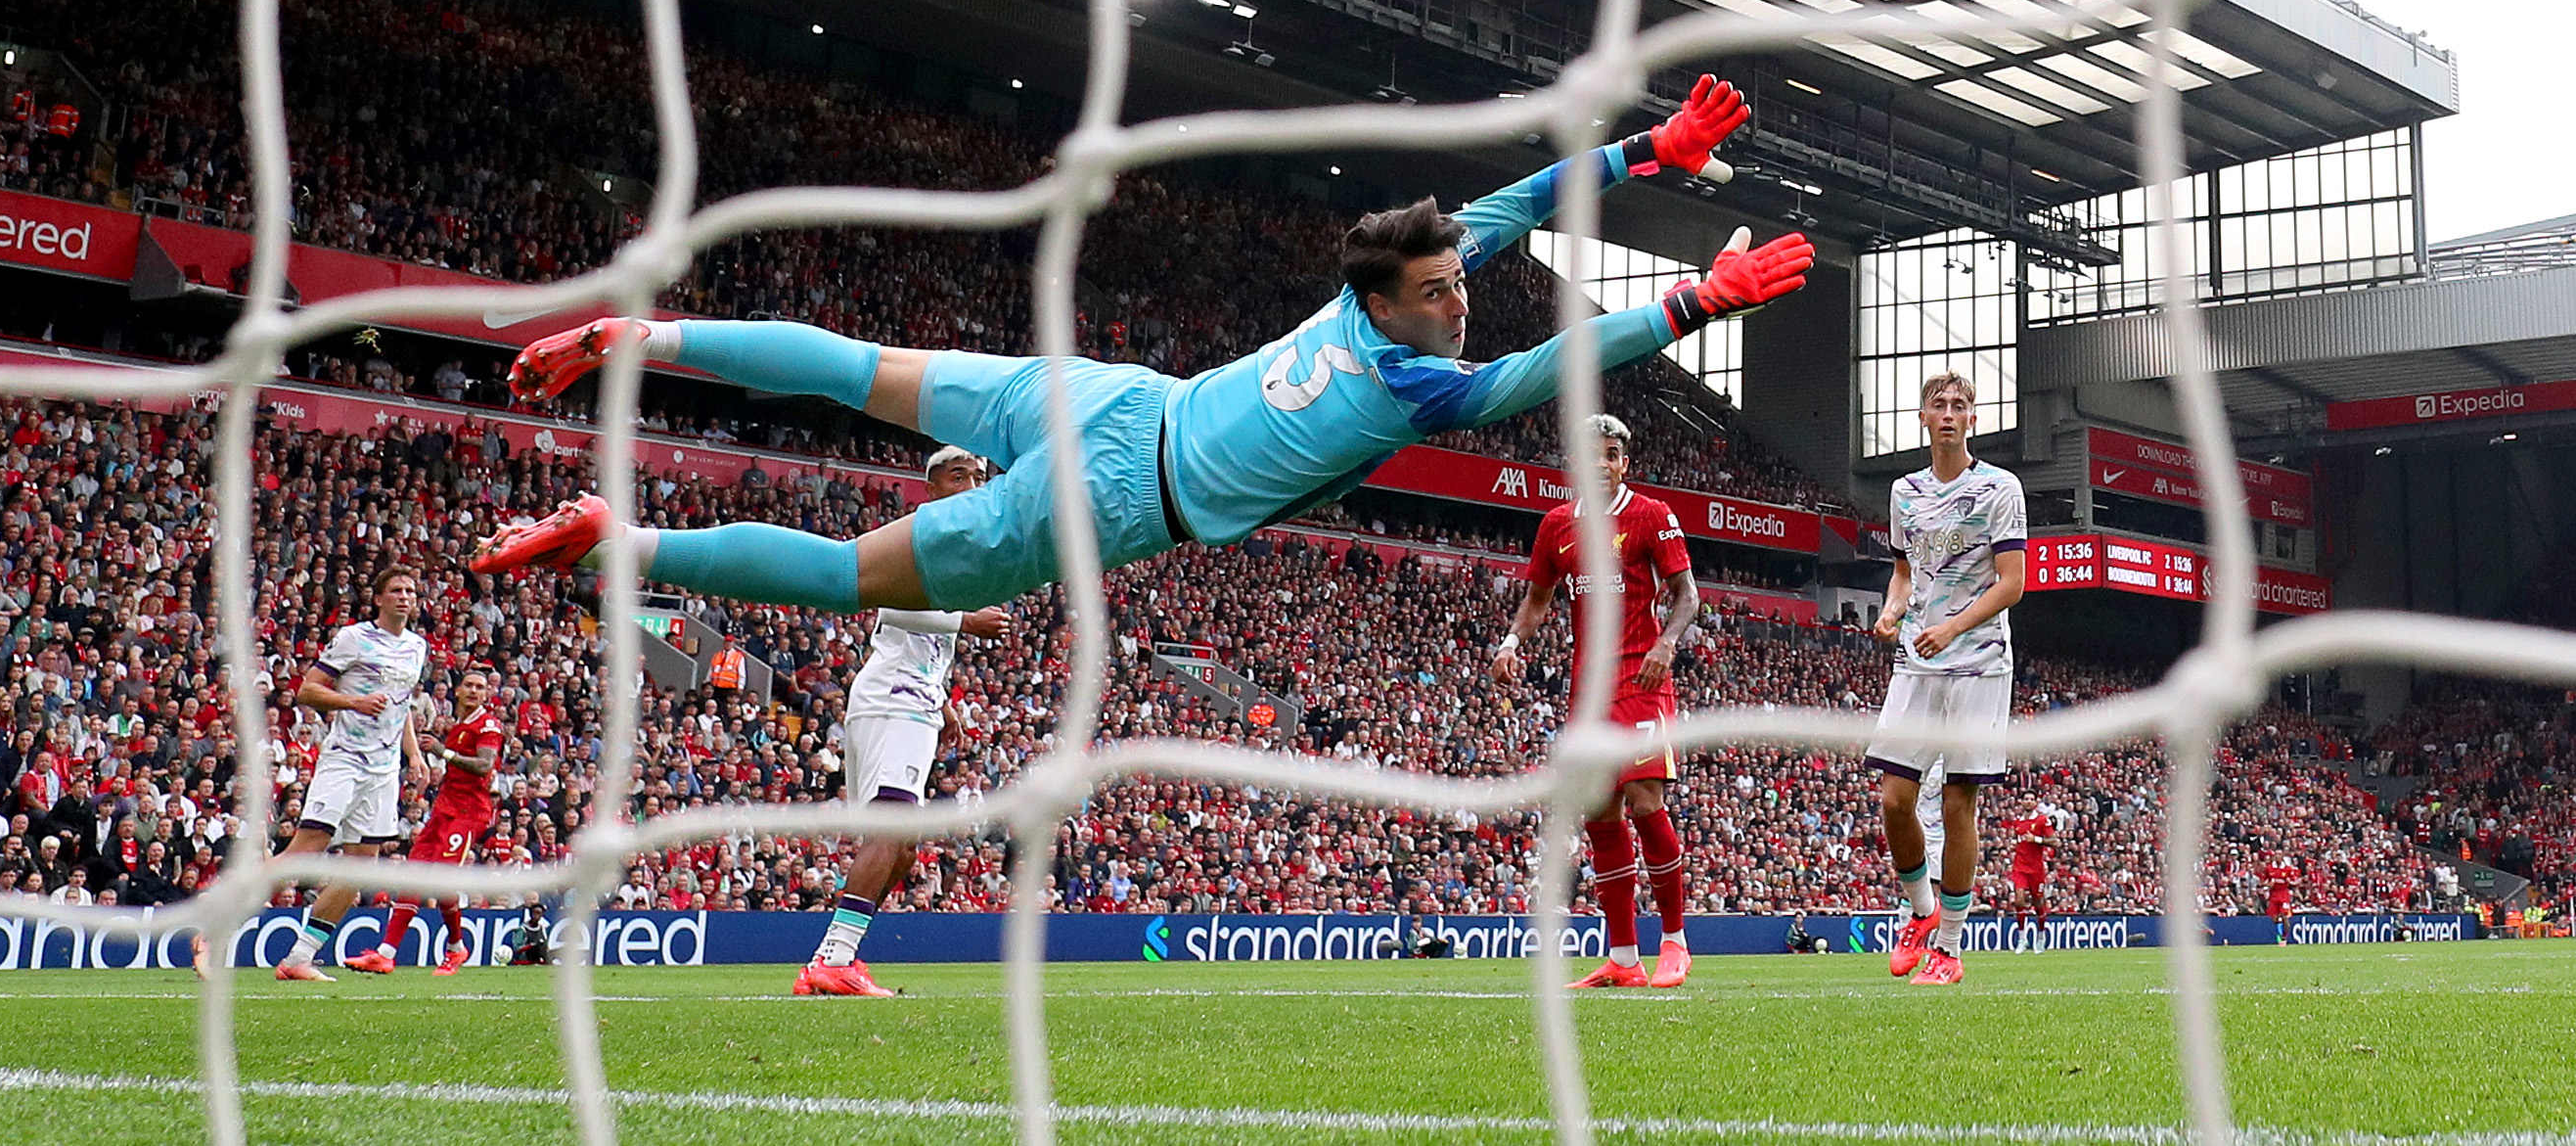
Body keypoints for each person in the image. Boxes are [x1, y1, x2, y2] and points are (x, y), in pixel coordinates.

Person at [472, 76, 1810, 618]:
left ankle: (641, 331)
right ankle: (622, 533)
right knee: (847, 573)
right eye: (1444, 287)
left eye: (1459, 279)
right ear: (1393, 301)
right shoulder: (1420, 381)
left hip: (1119, 397)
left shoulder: (1368, 295)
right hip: (1119, 486)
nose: (1465, 296)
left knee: (861, 364)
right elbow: (1548, 372)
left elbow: (1509, 210)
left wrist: (1648, 152)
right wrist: (1692, 303)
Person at [1491, 414, 1698, 990]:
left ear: (1623, 463)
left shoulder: (1651, 516)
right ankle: (1624, 958)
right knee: (1601, 812)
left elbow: (1688, 595)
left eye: (1612, 454)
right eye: (1592, 455)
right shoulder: (1557, 526)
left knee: (1642, 795)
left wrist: (1666, 642)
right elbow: (1537, 599)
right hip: (1587, 692)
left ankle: (1675, 943)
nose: (1602, 465)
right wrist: (1511, 642)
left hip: (1641, 677)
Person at [796, 444, 1012, 997]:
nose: (969, 484)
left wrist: (942, 700)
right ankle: (835, 959)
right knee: (892, 831)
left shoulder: (959, 546)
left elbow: (914, 639)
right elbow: (886, 603)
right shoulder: (921, 532)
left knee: (904, 846)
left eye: (977, 475)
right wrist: (967, 621)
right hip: (895, 700)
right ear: (931, 487)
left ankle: (831, 957)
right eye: (956, 475)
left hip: (908, 697)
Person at [1867, 373, 2025, 988]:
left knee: (1960, 803)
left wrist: (1953, 626)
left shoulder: (1999, 488)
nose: (1951, 414)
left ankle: (1950, 950)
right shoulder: (1904, 492)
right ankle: (1922, 913)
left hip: (1979, 662)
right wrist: (1891, 609)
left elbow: (2011, 583)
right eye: (1941, 405)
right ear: (1923, 418)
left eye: (1962, 406)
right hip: (1917, 661)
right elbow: (1906, 575)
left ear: (1974, 420)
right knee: (1893, 800)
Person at [200, 565, 429, 982]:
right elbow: (307, 690)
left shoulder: (416, 646)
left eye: (410, 590)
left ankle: (298, 959)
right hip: (345, 759)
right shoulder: (354, 638)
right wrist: (352, 703)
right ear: (378, 599)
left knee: (360, 871)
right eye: (395, 589)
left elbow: (402, 705)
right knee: (306, 850)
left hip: (383, 770)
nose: (404, 596)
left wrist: (414, 755)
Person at [356, 663, 506, 976]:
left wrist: (443, 752)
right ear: (459, 690)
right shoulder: (458, 725)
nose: (475, 691)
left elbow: (483, 765)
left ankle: (455, 947)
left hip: (469, 813)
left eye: (481, 687)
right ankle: (386, 953)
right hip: (444, 809)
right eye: (470, 685)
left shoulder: (488, 725)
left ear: (487, 693)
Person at [2006, 811, 2053, 949]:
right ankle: (2022, 939)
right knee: (2019, 899)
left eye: (2031, 799)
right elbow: (2017, 839)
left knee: (2038, 903)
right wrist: (2014, 845)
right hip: (2020, 866)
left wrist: (2037, 840)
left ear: (2035, 802)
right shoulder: (2018, 822)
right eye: (2026, 799)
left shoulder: (2042, 820)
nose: (2028, 801)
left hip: (2036, 869)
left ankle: (2041, 936)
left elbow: (2055, 841)